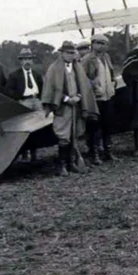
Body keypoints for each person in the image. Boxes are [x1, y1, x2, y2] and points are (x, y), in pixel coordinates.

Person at [42, 41, 99, 176]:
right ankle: (61, 165)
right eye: (68, 53)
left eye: (73, 53)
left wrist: (79, 96)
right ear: (61, 53)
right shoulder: (54, 69)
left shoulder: (77, 68)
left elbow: (84, 86)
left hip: (77, 107)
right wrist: (67, 99)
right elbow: (51, 89)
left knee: (75, 134)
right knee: (64, 136)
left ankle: (71, 162)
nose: (70, 56)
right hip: (63, 108)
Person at [80, 34, 117, 163]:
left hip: (108, 96)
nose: (100, 46)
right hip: (95, 99)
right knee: (94, 126)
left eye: (103, 43)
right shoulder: (87, 59)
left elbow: (111, 74)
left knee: (108, 125)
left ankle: (108, 151)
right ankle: (94, 153)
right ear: (93, 44)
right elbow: (81, 79)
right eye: (98, 43)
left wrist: (113, 84)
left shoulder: (106, 58)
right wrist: (93, 85)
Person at [5, 48, 44, 162]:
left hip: (36, 101)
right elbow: (8, 91)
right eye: (25, 59)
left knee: (37, 128)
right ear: (21, 61)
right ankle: (24, 152)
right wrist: (19, 98)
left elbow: (42, 88)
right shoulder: (14, 75)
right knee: (24, 128)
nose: (27, 62)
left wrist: (40, 100)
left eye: (29, 59)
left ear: (32, 61)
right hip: (24, 102)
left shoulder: (36, 75)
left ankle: (34, 152)